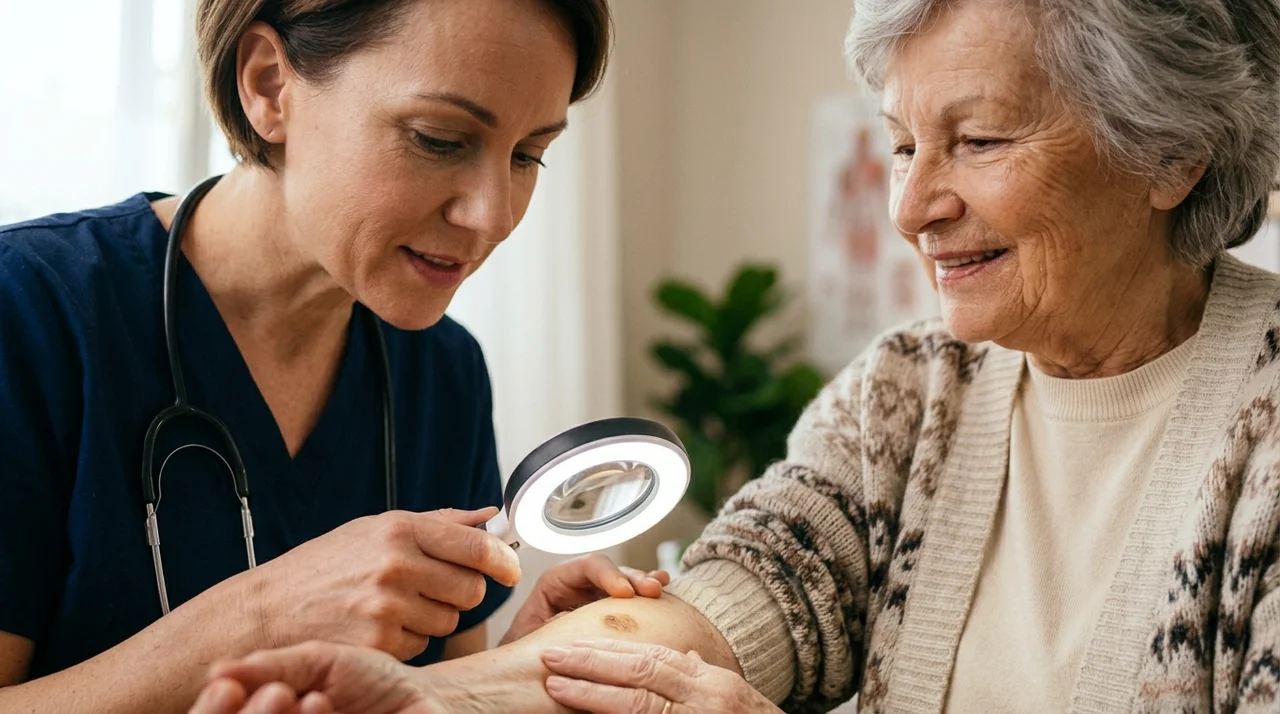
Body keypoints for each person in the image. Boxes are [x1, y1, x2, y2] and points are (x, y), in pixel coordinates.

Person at [188, 0, 1280, 712]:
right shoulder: (911, 393)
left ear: (1169, 154)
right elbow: (715, 610)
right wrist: (427, 703)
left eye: (978, 141)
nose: (909, 206)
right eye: (901, 145)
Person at [0, 0, 675, 711]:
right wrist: (260, 616)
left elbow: (424, 694)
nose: (494, 215)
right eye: (439, 138)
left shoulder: (443, 374)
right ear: (267, 87)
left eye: (527, 155)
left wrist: (508, 674)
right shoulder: (32, 313)